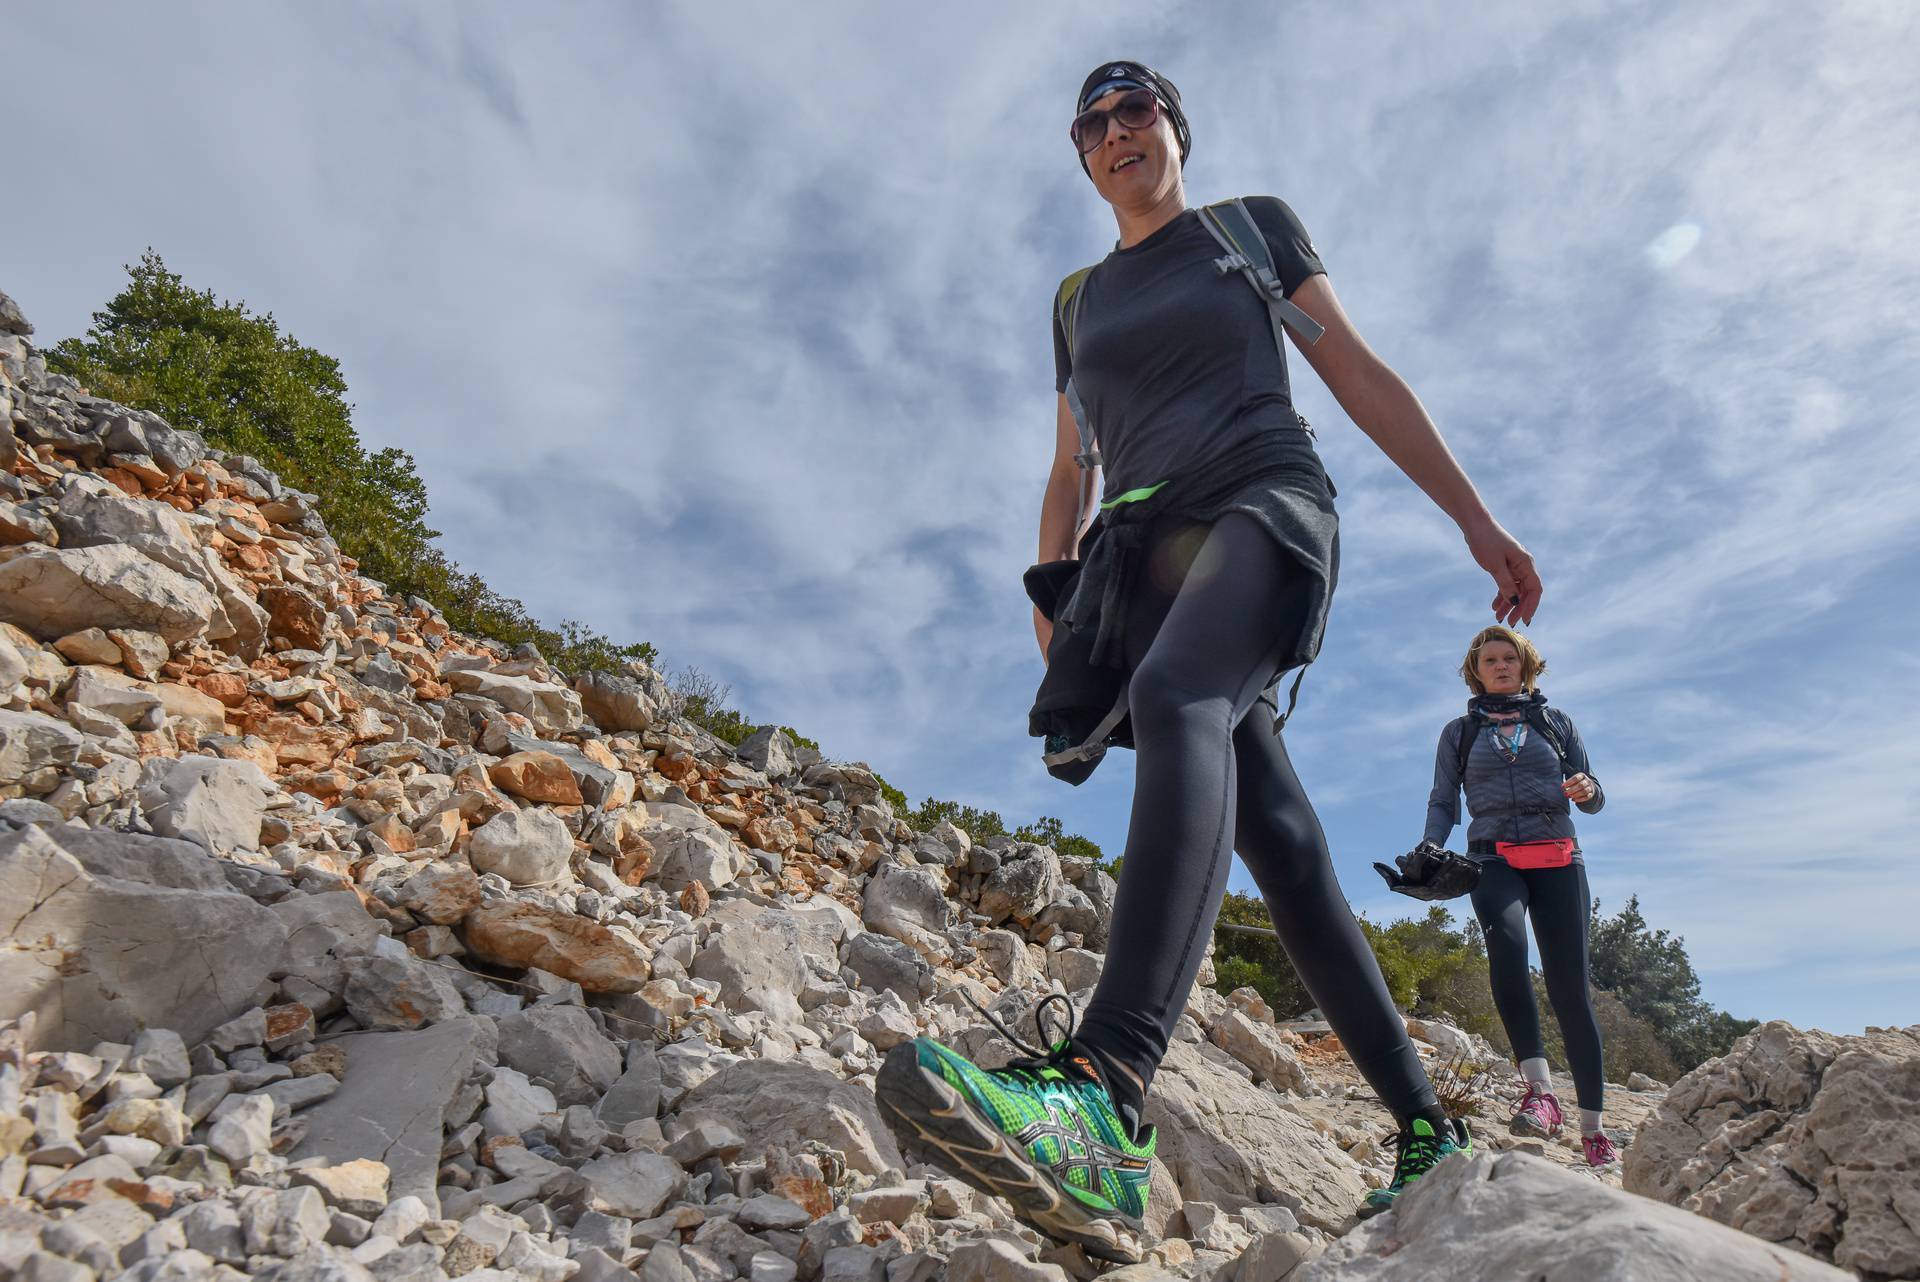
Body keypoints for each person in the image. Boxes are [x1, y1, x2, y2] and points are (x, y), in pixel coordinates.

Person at [876, 59, 1543, 1256]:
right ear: (1083, 159)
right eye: (1096, 124)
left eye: (1140, 113)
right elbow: (1069, 459)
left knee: (1182, 695)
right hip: (1140, 559)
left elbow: (1357, 371)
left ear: (1177, 130)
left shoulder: (1246, 230)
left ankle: (1104, 1097)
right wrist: (1054, 586)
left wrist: (1475, 518)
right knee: (1279, 843)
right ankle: (1430, 1124)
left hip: (1264, 503)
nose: (1120, 132)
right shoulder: (1076, 297)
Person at [1422, 626, 1619, 1169]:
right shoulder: (1458, 733)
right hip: (1492, 857)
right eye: (1491, 660)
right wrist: (1431, 847)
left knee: (1569, 987)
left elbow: (1594, 796)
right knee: (1507, 949)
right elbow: (1443, 799)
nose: (1502, 666)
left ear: (1526, 666)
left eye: (1510, 657)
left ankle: (1594, 1129)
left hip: (1558, 856)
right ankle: (1540, 1093)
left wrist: (1587, 789)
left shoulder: (1557, 724)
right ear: (1476, 670)